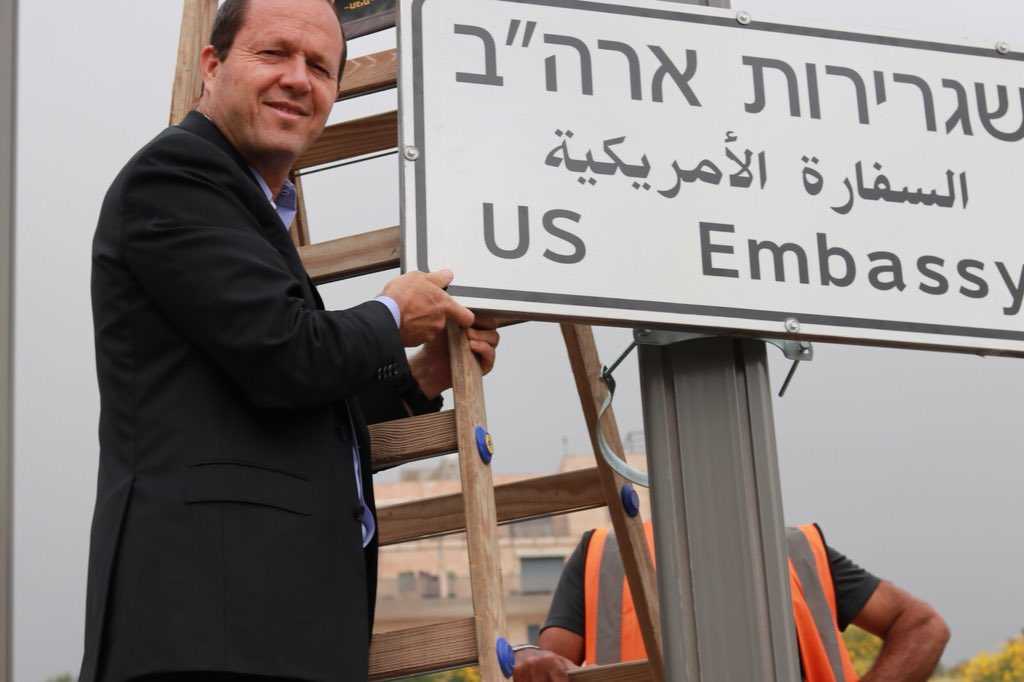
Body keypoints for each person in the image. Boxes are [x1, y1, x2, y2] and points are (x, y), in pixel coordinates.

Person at [80, 1, 499, 680]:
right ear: (212, 67)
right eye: (274, 53)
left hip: (264, 627)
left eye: (320, 67)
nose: (299, 79)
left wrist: (418, 376)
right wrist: (392, 315)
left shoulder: (241, 207)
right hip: (209, 633)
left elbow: (272, 401)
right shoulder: (175, 178)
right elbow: (287, 357)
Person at [513, 521, 949, 682]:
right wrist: (529, 659)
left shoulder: (793, 550)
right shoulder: (606, 555)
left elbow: (922, 625)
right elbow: (550, 666)